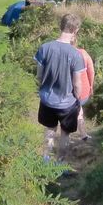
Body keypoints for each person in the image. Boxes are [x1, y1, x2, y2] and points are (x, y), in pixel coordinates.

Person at [34, 14, 85, 162]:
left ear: (61, 26)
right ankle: (60, 164)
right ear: (75, 30)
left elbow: (39, 76)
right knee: (65, 134)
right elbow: (77, 84)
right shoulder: (76, 54)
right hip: (67, 103)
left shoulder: (45, 48)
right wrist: (78, 100)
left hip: (47, 99)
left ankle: (45, 160)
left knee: (49, 130)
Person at [73, 42, 95, 140]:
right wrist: (91, 86)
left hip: (64, 91)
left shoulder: (60, 53)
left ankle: (80, 134)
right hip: (82, 90)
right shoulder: (83, 53)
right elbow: (91, 71)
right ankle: (83, 135)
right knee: (78, 110)